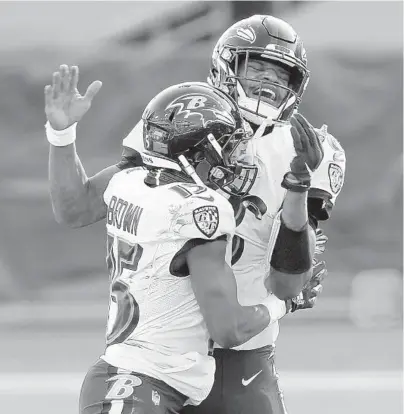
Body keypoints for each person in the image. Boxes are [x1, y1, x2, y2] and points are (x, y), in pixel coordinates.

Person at [45, 16, 344, 414]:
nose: (268, 82)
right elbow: (80, 206)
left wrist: (298, 188)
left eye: (280, 73)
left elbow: (288, 284)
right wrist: (62, 136)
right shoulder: (186, 119)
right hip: (164, 352)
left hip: (243, 351)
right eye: (255, 67)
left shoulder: (311, 151)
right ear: (227, 65)